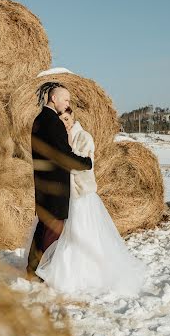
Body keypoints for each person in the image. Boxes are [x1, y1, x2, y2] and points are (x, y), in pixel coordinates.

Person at [35, 107, 147, 296]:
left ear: (73, 118)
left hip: (80, 193)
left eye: (67, 119)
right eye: (61, 119)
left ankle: (81, 272)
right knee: (63, 235)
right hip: (67, 193)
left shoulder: (84, 137)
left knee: (81, 233)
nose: (65, 122)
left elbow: (84, 165)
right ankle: (56, 267)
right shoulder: (61, 136)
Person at [26, 83, 93, 278]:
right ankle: (43, 272)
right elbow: (62, 155)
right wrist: (85, 162)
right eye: (66, 99)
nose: (68, 103)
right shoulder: (52, 121)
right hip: (54, 186)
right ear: (53, 98)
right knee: (53, 232)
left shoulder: (41, 119)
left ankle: (32, 270)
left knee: (43, 228)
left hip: (45, 184)